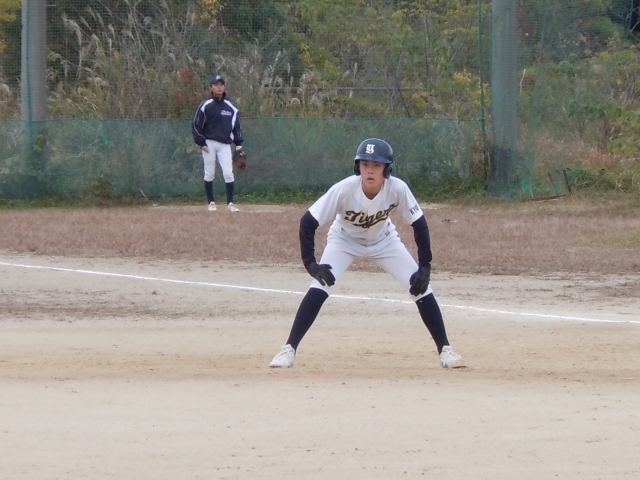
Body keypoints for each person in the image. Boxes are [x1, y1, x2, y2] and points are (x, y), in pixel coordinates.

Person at [269, 138, 466, 369]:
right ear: (357, 167)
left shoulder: (397, 189)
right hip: (344, 240)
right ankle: (289, 349)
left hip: (384, 240)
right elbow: (308, 222)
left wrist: (425, 266)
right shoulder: (344, 190)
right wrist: (311, 264)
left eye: (376, 165)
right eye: (365, 164)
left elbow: (419, 224)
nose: (370, 170)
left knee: (419, 286)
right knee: (321, 285)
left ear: (387, 169)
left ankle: (445, 350)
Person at [192, 74, 244, 212]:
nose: (219, 87)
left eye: (221, 85)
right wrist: (201, 142)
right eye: (216, 85)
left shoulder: (231, 106)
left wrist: (239, 144)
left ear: (224, 87)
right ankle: (211, 203)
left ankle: (230, 204)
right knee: (209, 173)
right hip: (209, 143)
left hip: (225, 144)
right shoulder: (206, 105)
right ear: (211, 87)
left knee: (228, 173)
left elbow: (237, 126)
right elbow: (196, 124)